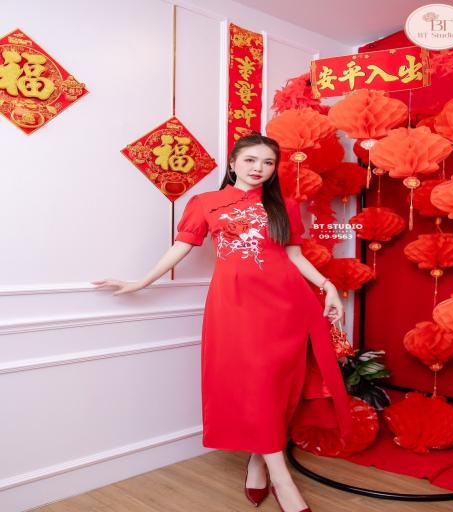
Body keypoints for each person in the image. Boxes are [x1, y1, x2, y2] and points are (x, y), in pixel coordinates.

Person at [92, 133, 352, 512]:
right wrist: (141, 282)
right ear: (233, 163)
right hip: (236, 307)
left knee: (276, 388)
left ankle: (260, 462)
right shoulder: (205, 203)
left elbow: (294, 256)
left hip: (288, 306)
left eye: (267, 163)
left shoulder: (286, 205)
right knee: (255, 385)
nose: (259, 168)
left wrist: (327, 287)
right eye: (250, 160)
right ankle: (281, 478)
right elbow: (181, 247)